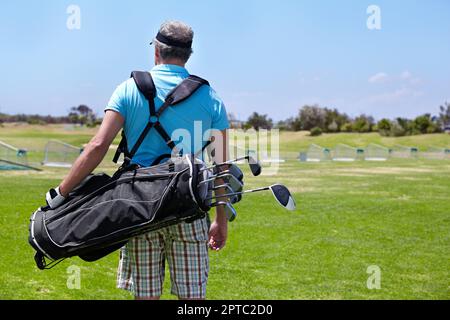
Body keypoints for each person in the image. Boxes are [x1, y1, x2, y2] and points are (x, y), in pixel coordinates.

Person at [44, 20, 230, 300]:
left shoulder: (128, 89)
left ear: (156, 50)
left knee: (146, 296)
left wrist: (61, 193)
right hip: (188, 209)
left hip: (139, 208)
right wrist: (221, 219)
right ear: (188, 54)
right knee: (192, 299)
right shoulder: (210, 97)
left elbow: (97, 146)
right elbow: (221, 165)